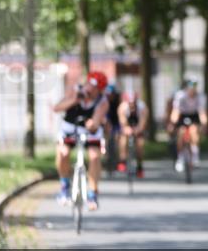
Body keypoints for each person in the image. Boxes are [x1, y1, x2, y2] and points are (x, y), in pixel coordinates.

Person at [53, 71, 110, 211]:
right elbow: (57, 108)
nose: (90, 90)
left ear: (100, 90)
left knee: (94, 156)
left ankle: (92, 193)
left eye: (95, 88)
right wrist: (75, 100)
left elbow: (96, 122)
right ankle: (64, 186)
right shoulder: (74, 90)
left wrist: (93, 124)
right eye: (89, 85)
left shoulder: (102, 102)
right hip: (69, 129)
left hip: (89, 133)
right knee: (63, 153)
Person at [169, 79, 208, 172]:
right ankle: (180, 158)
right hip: (182, 115)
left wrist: (204, 124)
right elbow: (176, 111)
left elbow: (202, 112)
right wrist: (173, 123)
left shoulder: (200, 96)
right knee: (181, 133)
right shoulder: (180, 95)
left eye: (194, 88)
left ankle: (195, 155)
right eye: (190, 88)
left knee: (194, 131)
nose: (192, 90)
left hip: (194, 115)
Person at [117, 90, 149, 177]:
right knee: (123, 139)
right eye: (130, 103)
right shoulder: (122, 107)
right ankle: (123, 159)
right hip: (127, 124)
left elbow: (143, 122)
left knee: (140, 144)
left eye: (133, 103)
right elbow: (122, 121)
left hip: (138, 123)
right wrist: (126, 128)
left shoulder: (142, 107)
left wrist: (138, 129)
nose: (131, 105)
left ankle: (139, 166)